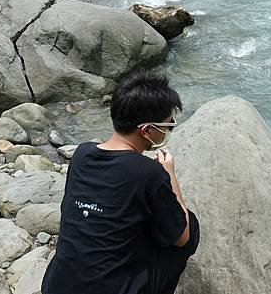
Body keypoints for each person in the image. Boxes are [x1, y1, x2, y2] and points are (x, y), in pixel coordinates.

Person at [42, 71, 199, 294]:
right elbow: (182, 238)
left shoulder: (81, 154)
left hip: (56, 286)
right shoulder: (149, 173)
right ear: (147, 130)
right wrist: (169, 173)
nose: (168, 131)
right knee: (189, 226)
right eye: (166, 126)